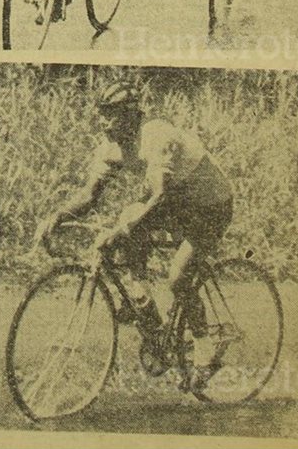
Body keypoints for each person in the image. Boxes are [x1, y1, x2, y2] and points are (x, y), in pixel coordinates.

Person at [36, 82, 235, 391]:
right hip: (177, 202)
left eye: (112, 115)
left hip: (210, 205)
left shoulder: (156, 136)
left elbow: (158, 196)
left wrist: (122, 230)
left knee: (179, 276)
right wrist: (57, 216)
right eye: (102, 115)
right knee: (128, 220)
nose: (104, 123)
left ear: (131, 116)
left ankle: (206, 355)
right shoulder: (111, 147)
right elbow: (90, 196)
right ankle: (145, 310)